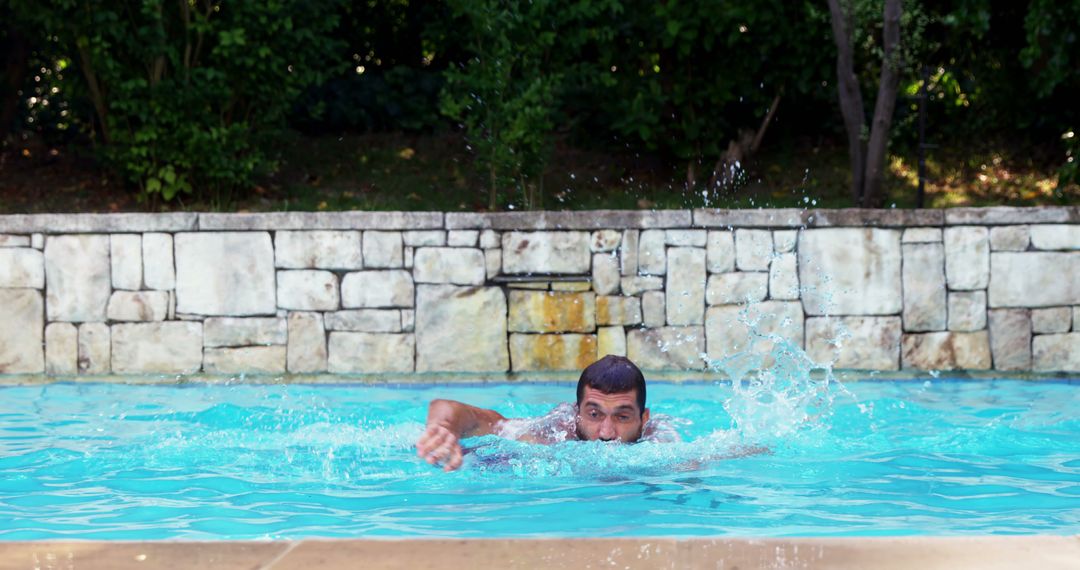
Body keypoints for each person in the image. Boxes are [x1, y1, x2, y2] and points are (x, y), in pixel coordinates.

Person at [415, 355, 671, 472]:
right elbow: (449, 408)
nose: (606, 433)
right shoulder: (550, 433)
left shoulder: (661, 443)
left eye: (622, 417)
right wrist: (444, 428)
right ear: (577, 412)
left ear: (644, 419)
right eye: (594, 414)